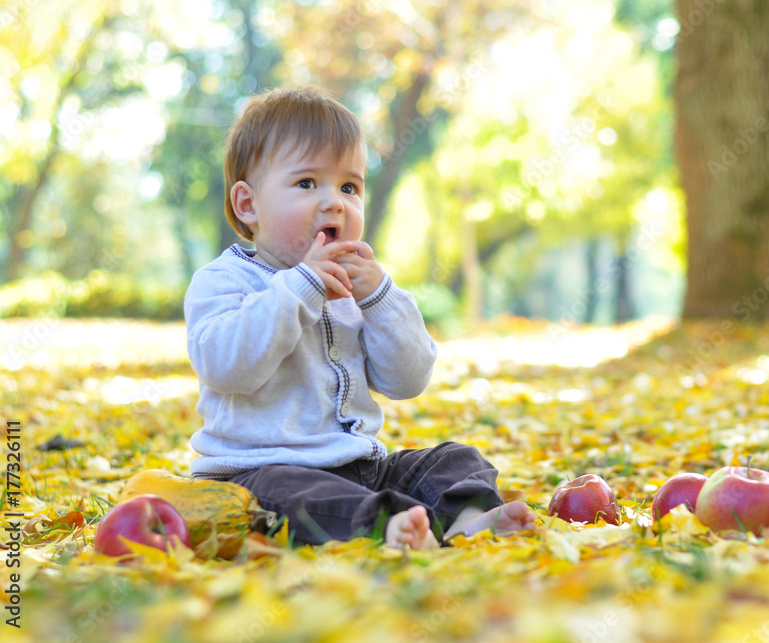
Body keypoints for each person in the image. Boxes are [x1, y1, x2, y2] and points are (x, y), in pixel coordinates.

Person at [184, 87, 536, 550]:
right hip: (262, 472)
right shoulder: (226, 281)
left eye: (349, 187)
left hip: (363, 467)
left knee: (453, 460)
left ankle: (465, 519)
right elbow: (228, 366)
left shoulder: (355, 290)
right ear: (249, 206)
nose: (335, 203)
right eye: (307, 183)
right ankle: (386, 527)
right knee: (301, 497)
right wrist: (302, 287)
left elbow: (407, 380)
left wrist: (380, 299)